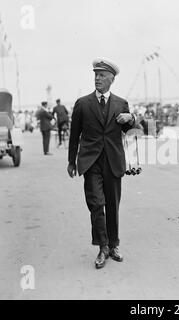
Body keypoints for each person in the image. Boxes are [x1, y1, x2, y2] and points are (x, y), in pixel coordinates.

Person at [67, 58, 135, 269]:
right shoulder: (83, 103)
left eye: (102, 75)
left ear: (111, 80)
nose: (97, 78)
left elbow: (131, 132)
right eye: (95, 74)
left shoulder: (121, 104)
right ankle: (103, 246)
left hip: (113, 161)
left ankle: (114, 245)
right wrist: (71, 161)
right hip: (91, 162)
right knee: (96, 204)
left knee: (113, 205)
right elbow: (74, 134)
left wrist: (131, 118)